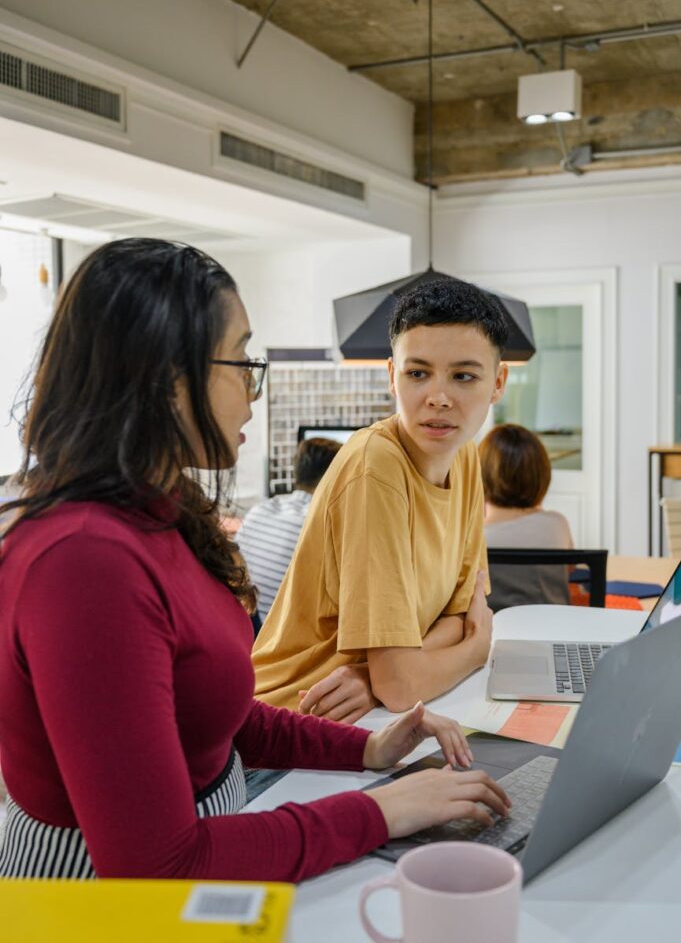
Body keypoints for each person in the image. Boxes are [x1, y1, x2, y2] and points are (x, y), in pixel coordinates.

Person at [0, 240, 510, 882]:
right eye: (241, 360)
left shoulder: (160, 511)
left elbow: (218, 711)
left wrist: (370, 749)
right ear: (166, 378)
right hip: (96, 897)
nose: (253, 386)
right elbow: (154, 864)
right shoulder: (84, 561)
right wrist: (380, 811)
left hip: (217, 837)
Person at [252, 278, 509, 723]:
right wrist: (473, 651)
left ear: (497, 382)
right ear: (393, 376)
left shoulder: (463, 454)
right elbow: (406, 682)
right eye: (417, 373)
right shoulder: (377, 468)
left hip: (368, 716)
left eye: (463, 376)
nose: (439, 398)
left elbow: (461, 614)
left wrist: (375, 675)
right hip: (293, 721)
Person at [235, 437, 342, 627]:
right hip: (281, 642)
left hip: (248, 632)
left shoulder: (260, 509)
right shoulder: (324, 524)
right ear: (337, 478)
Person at [480, 423, 575, 611]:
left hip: (493, 636)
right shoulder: (557, 525)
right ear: (542, 474)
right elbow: (568, 570)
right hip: (550, 630)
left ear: (480, 475)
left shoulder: (473, 538)